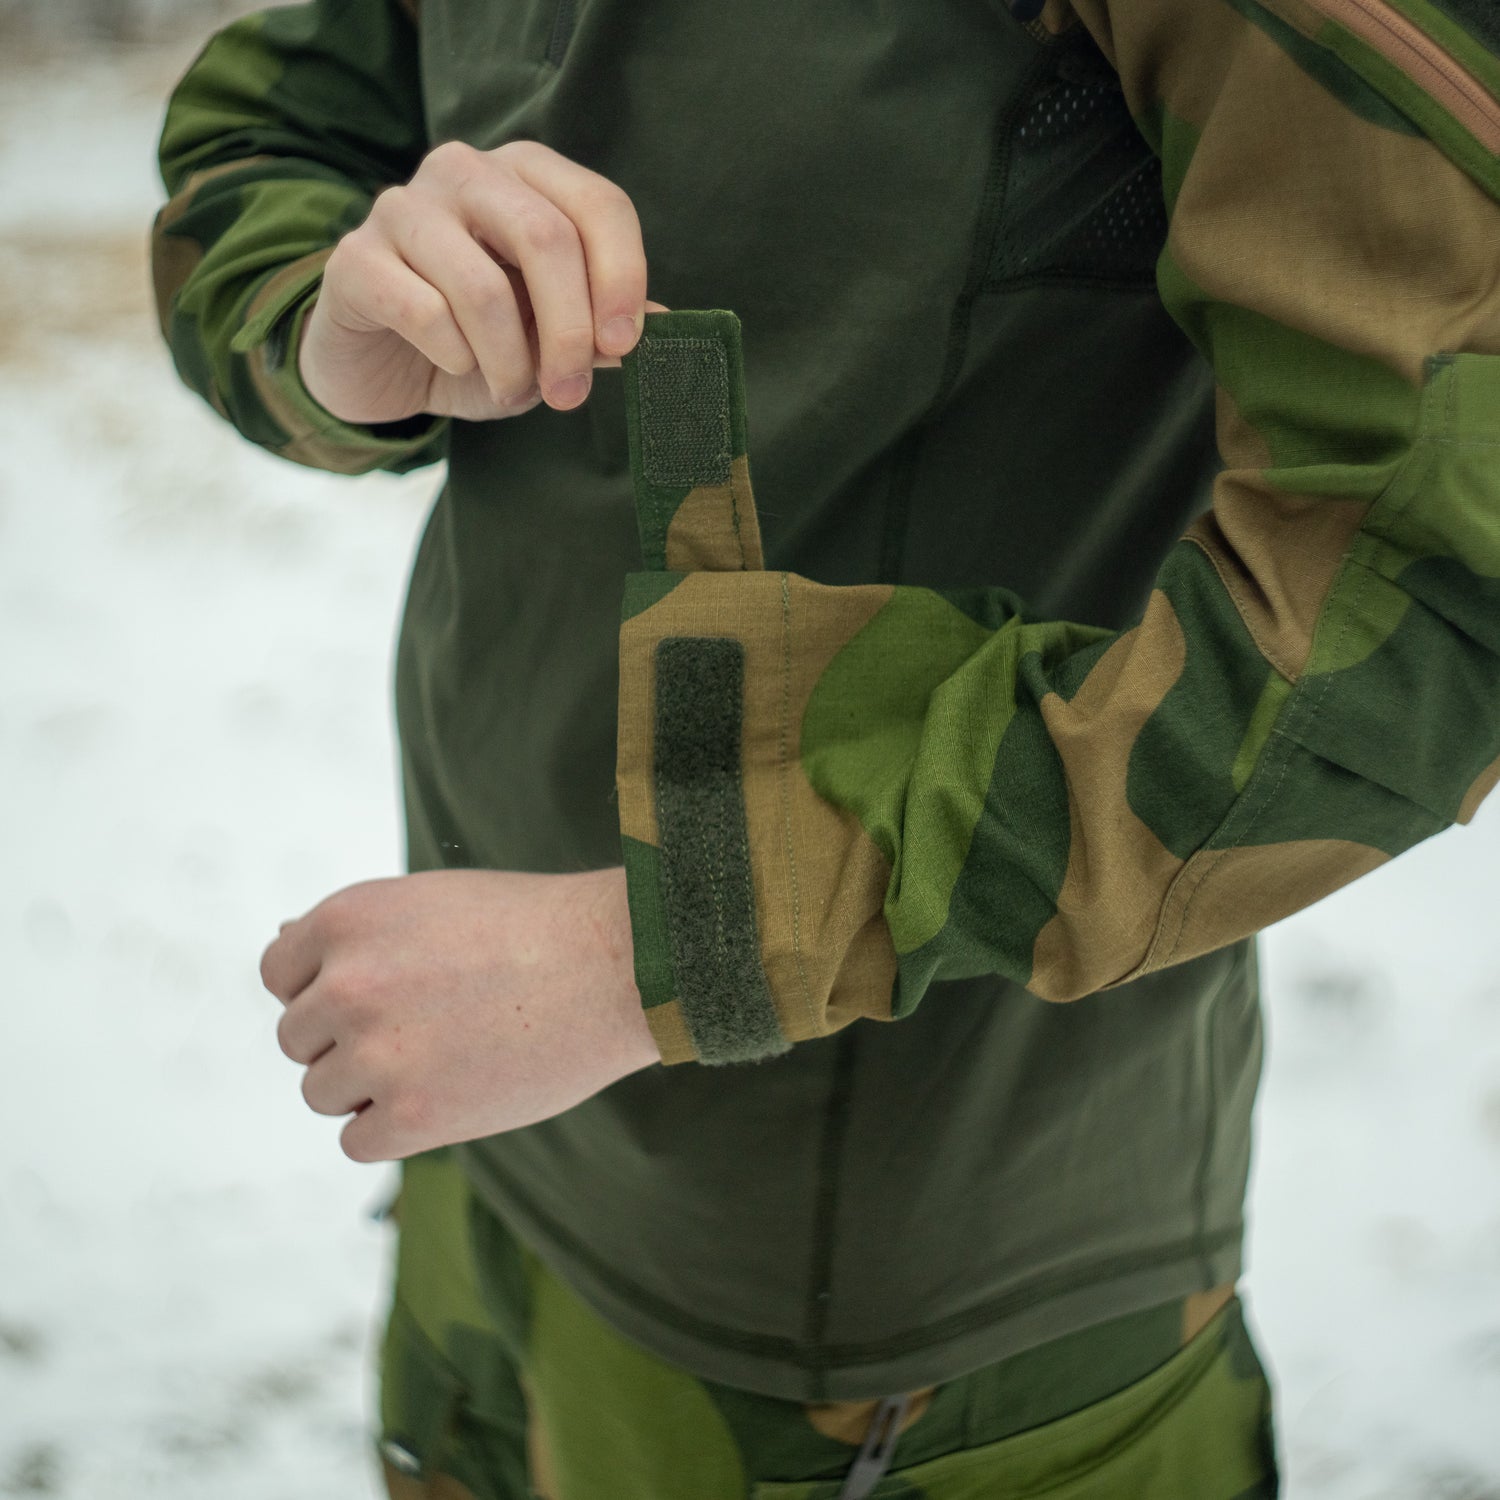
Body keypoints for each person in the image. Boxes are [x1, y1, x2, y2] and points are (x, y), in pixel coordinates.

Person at [152, 0, 1500, 1494]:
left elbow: (1425, 605)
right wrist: (327, 326)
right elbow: (269, 132)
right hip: (474, 1133)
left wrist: (668, 941)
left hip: (922, 1328)